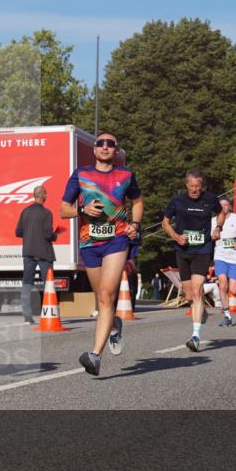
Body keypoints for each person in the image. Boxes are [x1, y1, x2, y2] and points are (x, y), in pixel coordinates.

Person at [61, 131, 142, 375]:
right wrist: (82, 210)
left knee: (107, 295)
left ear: (116, 151)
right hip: (89, 243)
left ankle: (95, 355)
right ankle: (114, 324)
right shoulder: (81, 175)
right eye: (100, 143)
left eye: (110, 144)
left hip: (117, 240)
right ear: (95, 149)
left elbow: (137, 202)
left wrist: (134, 225)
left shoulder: (126, 175)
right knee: (102, 299)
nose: (105, 147)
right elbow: (64, 209)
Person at [162, 168, 225, 352]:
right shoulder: (177, 201)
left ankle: (195, 336)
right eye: (192, 187)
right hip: (182, 250)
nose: (195, 190)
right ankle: (202, 311)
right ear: (186, 185)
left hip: (202, 250)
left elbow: (220, 213)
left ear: (202, 186)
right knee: (189, 295)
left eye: (198, 187)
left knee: (197, 291)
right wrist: (175, 236)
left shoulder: (210, 199)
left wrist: (218, 228)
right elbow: (165, 222)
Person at [15, 186, 59, 325]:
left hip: (28, 251)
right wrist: (55, 235)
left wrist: (30, 232)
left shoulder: (25, 212)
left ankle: (27, 316)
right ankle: (49, 313)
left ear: (34, 195)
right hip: (44, 252)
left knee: (27, 283)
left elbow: (18, 232)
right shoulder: (47, 213)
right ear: (44, 196)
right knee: (48, 283)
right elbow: (48, 234)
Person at [212, 197, 236, 326]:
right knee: (222, 285)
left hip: (235, 258)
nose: (223, 207)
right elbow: (209, 237)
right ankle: (227, 316)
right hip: (220, 256)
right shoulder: (213, 221)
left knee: (233, 289)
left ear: (230, 206)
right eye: (221, 205)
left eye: (226, 205)